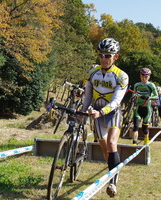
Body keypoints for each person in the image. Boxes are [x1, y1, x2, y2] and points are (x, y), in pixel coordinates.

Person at [82, 38, 129, 197]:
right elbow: (88, 95)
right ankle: (111, 171)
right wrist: (82, 111)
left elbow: (116, 101)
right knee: (104, 150)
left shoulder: (121, 76)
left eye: (107, 55)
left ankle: (113, 183)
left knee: (111, 143)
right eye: (101, 55)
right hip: (96, 114)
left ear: (115, 57)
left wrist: (101, 112)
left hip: (112, 114)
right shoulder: (92, 72)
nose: (103, 58)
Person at [131, 68, 158, 145]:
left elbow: (156, 96)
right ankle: (134, 144)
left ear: (149, 76)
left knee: (144, 129)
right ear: (140, 75)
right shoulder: (136, 85)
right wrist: (133, 99)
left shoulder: (151, 85)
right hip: (138, 107)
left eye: (146, 76)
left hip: (147, 108)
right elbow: (133, 94)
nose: (144, 78)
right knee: (135, 127)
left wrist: (148, 97)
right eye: (142, 76)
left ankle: (146, 140)